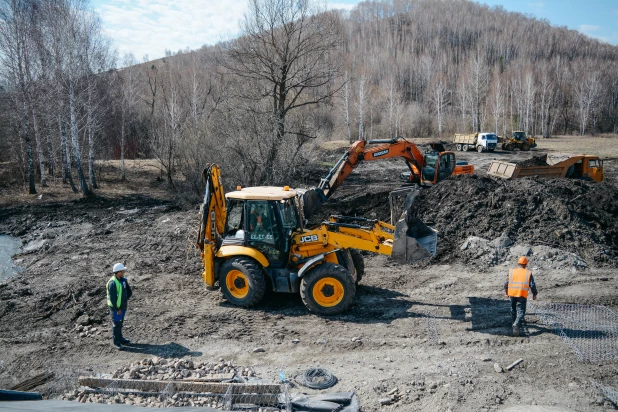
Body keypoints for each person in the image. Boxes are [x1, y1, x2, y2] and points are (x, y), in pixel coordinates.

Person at [505, 256, 537, 337]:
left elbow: (506, 284)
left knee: (513, 309)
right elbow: (532, 285)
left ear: (518, 263)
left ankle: (514, 326)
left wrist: (506, 293)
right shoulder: (528, 273)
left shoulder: (511, 271)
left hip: (512, 293)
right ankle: (516, 324)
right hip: (521, 294)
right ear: (526, 264)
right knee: (521, 311)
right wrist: (534, 294)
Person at [107, 263, 133, 349]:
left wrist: (124, 301)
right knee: (117, 324)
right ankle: (116, 342)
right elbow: (113, 298)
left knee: (120, 323)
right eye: (122, 271)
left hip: (122, 307)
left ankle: (120, 338)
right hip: (116, 309)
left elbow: (129, 292)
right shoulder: (112, 283)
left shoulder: (123, 280)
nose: (124, 272)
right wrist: (117, 308)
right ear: (118, 272)